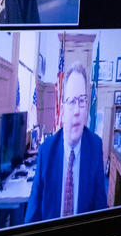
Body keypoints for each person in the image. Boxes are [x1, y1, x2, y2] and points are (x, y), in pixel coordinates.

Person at [23, 62, 107, 223]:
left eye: (82, 101)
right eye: (71, 101)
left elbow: (100, 210)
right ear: (62, 110)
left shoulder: (95, 146)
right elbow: (32, 216)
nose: (77, 111)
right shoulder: (46, 151)